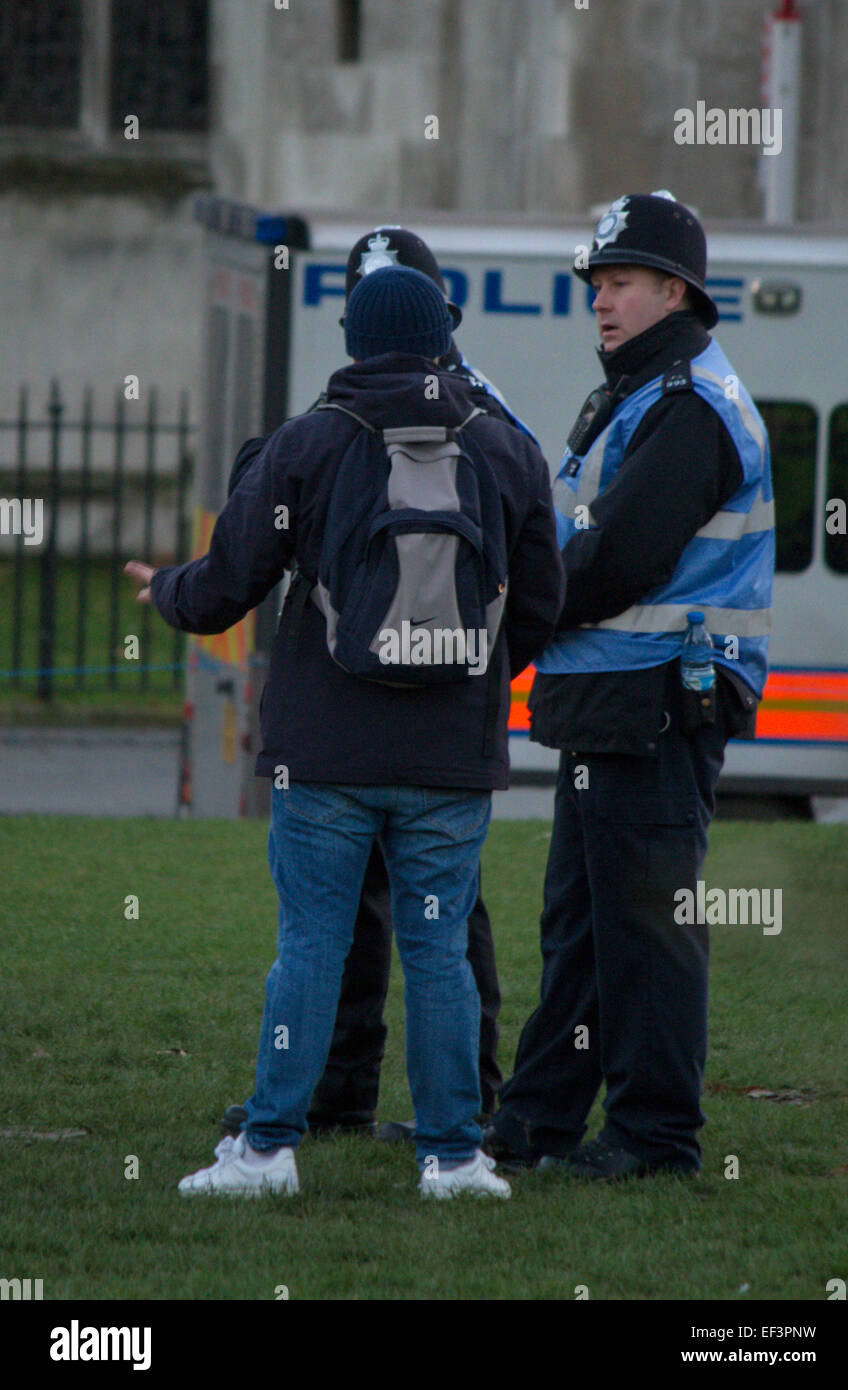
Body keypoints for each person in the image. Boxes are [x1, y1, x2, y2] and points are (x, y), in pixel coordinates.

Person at [126, 264, 564, 1197]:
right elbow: (540, 609)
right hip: (451, 758)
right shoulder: (509, 449)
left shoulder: (310, 443)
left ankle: (269, 1148)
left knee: (312, 943)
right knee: (441, 950)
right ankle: (453, 1157)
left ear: (355, 342)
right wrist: (463, 678)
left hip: (323, 755)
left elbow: (224, 588)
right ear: (444, 339)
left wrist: (163, 589)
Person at [221, 227, 538, 1144]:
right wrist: (467, 673)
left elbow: (255, 551)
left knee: (343, 933)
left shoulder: (339, 419)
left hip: (337, 737)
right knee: (428, 935)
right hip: (445, 744)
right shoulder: (492, 423)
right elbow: (537, 587)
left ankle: (318, 1114)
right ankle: (394, 1112)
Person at [484, 191, 775, 1181]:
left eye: (619, 283)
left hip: (654, 700)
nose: (600, 302)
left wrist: (514, 606)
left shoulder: (687, 405)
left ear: (674, 290)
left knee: (643, 927)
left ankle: (654, 1139)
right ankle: (535, 1123)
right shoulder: (646, 393)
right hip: (617, 701)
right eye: (595, 285)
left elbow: (616, 561)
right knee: (580, 926)